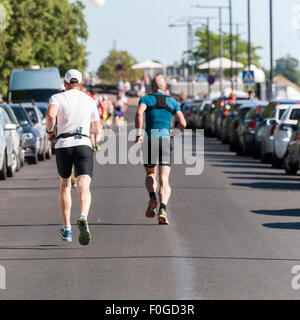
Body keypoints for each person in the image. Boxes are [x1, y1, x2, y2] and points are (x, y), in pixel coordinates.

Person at [46, 69, 101, 245]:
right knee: (84, 183)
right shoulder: (89, 100)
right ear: (82, 84)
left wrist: (49, 131)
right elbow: (97, 128)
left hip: (63, 144)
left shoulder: (57, 98)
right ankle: (83, 215)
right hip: (83, 143)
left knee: (65, 184)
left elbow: (50, 115)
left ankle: (67, 229)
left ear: (65, 83)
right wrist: (94, 141)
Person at [135, 75, 186, 225]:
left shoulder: (146, 99)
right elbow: (183, 122)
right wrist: (173, 134)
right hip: (165, 140)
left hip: (150, 139)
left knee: (151, 173)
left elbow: (139, 113)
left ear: (151, 87)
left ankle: (152, 197)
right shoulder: (172, 102)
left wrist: (138, 134)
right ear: (165, 87)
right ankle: (163, 209)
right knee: (164, 179)